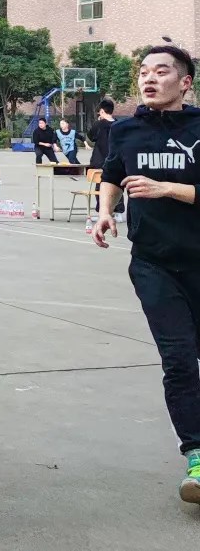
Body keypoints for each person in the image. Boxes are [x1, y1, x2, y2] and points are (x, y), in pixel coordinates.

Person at [93, 45, 200, 506]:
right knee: (179, 360)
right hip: (154, 264)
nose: (149, 79)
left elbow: (161, 188)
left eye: (162, 71)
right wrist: (105, 211)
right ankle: (196, 455)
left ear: (186, 82)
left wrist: (167, 189)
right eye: (143, 72)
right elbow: (113, 174)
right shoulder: (125, 130)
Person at [89, 97, 125, 220]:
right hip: (117, 159)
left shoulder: (99, 124)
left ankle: (102, 212)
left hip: (100, 161)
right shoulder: (119, 124)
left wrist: (98, 122)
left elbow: (91, 136)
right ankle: (119, 212)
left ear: (102, 111)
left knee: (100, 187)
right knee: (118, 185)